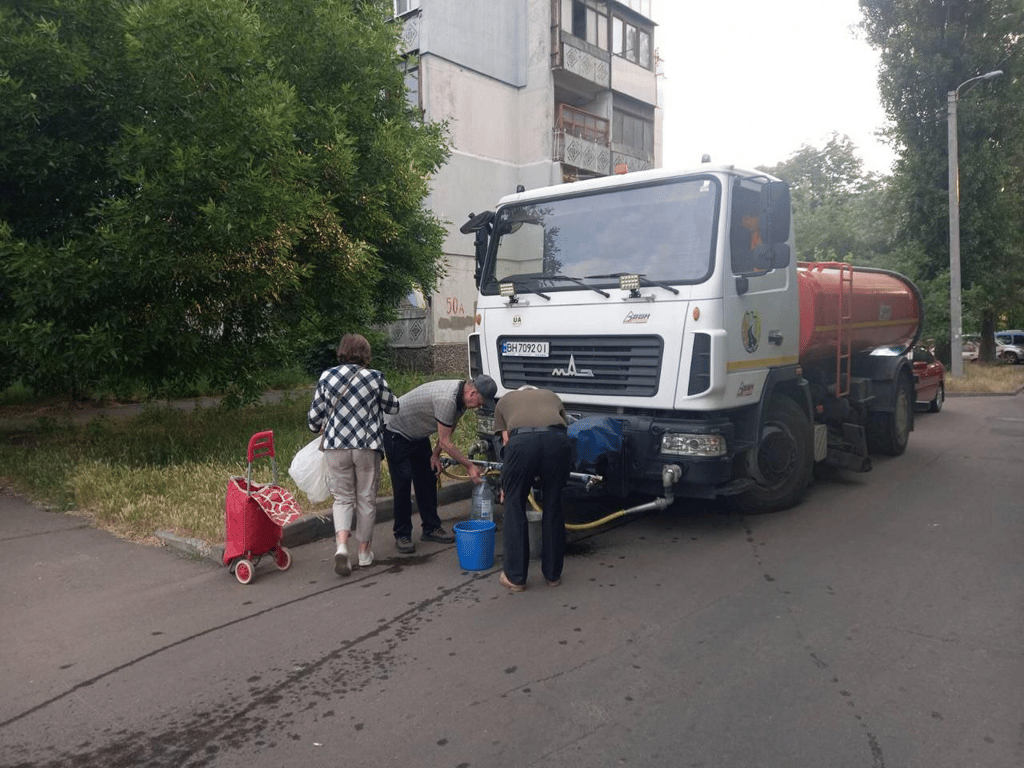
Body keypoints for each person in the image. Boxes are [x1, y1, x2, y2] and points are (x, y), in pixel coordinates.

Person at [308, 333, 399, 577]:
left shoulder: (327, 377)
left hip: (336, 447)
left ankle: (341, 546)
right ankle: (364, 552)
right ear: (365, 354)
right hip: (366, 447)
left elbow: (313, 420)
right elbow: (393, 406)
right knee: (366, 498)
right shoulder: (374, 377)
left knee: (342, 498)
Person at [383, 375, 497, 554]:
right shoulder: (447, 399)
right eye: (481, 402)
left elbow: (448, 432)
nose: (480, 406)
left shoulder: (461, 401)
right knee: (403, 483)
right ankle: (402, 534)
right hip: (396, 432)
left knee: (427, 478)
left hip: (418, 435)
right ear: (473, 392)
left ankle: (431, 528)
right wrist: (469, 466)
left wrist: (435, 455)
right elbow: (445, 441)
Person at [492, 386, 571, 592]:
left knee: (514, 505)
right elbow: (564, 427)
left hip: (521, 442)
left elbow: (506, 441)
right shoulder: (552, 395)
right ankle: (553, 575)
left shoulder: (504, 401)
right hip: (558, 442)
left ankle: (516, 578)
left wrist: (505, 484)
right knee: (553, 504)